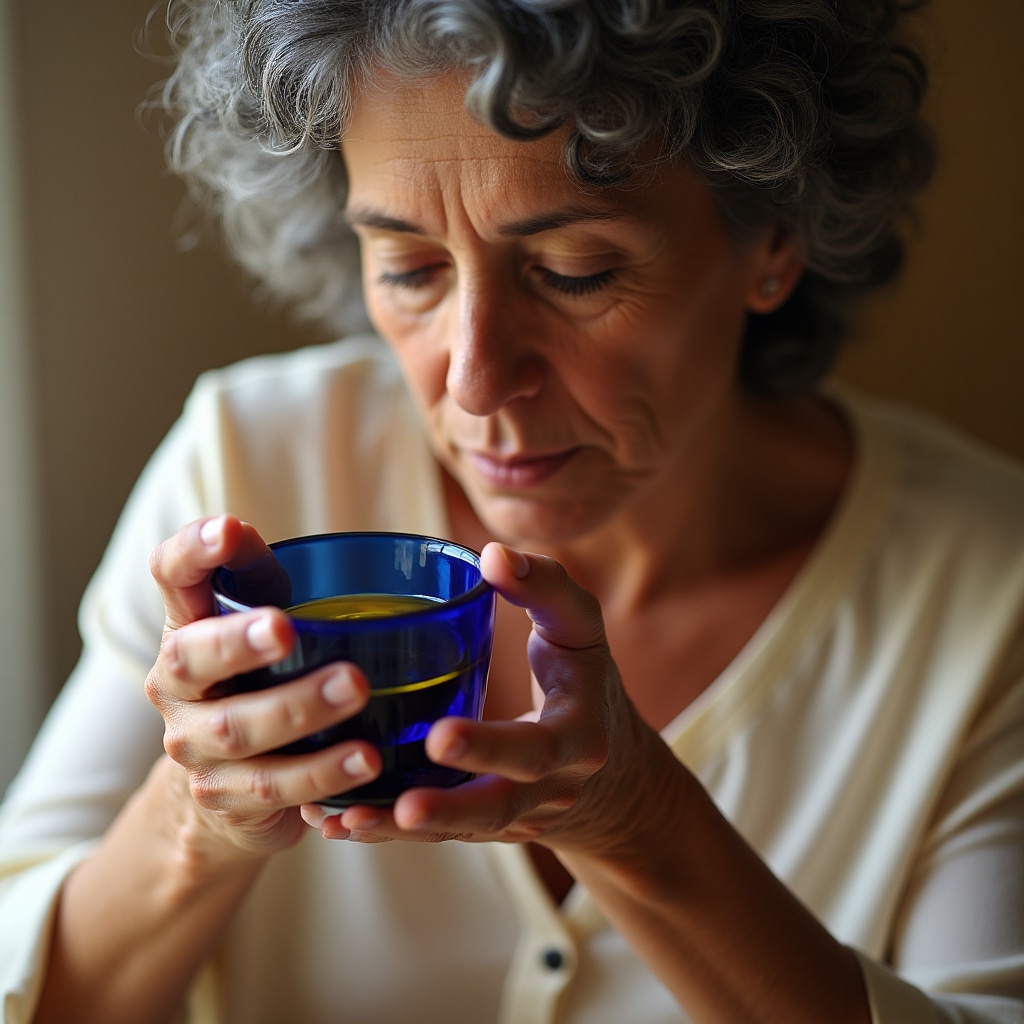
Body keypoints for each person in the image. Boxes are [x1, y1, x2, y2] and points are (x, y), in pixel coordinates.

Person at [1, 1, 1022, 1022]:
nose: (477, 380)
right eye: (408, 269)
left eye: (575, 272)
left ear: (776, 241)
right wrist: (198, 819)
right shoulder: (248, 464)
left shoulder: (987, 588)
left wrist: (638, 823)